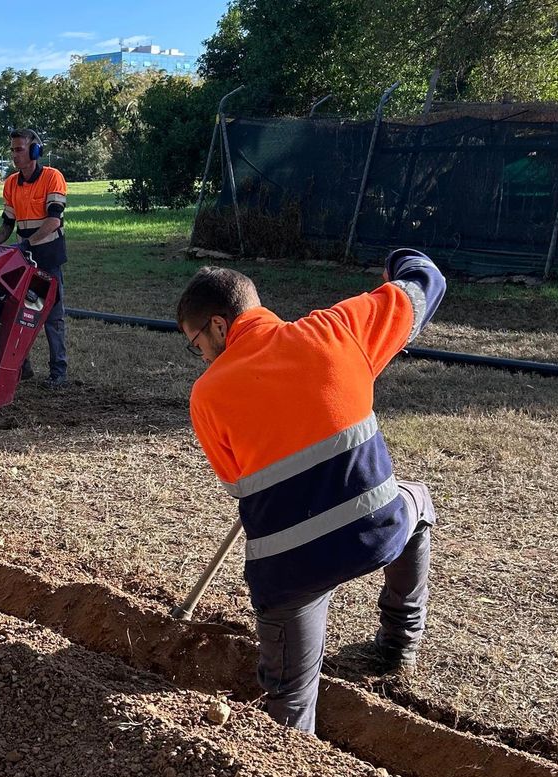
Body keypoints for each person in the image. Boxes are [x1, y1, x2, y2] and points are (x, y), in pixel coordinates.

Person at [178, 250, 446, 735]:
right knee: (418, 503)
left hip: (287, 571)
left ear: (219, 326)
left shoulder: (207, 395)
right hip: (375, 532)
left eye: (195, 343)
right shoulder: (339, 329)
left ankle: (290, 775)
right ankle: (399, 642)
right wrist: (397, 262)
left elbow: (238, 482)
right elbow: (427, 282)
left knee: (289, 704)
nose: (199, 355)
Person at [0, 128, 69, 385]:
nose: (15, 155)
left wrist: (27, 244)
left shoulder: (52, 178)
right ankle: (22, 368)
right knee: (16, 313)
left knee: (52, 317)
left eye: (19, 149)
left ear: (35, 151)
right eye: (12, 150)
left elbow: (54, 220)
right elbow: (7, 223)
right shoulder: (11, 183)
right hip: (23, 256)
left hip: (47, 255)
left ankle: (59, 373)